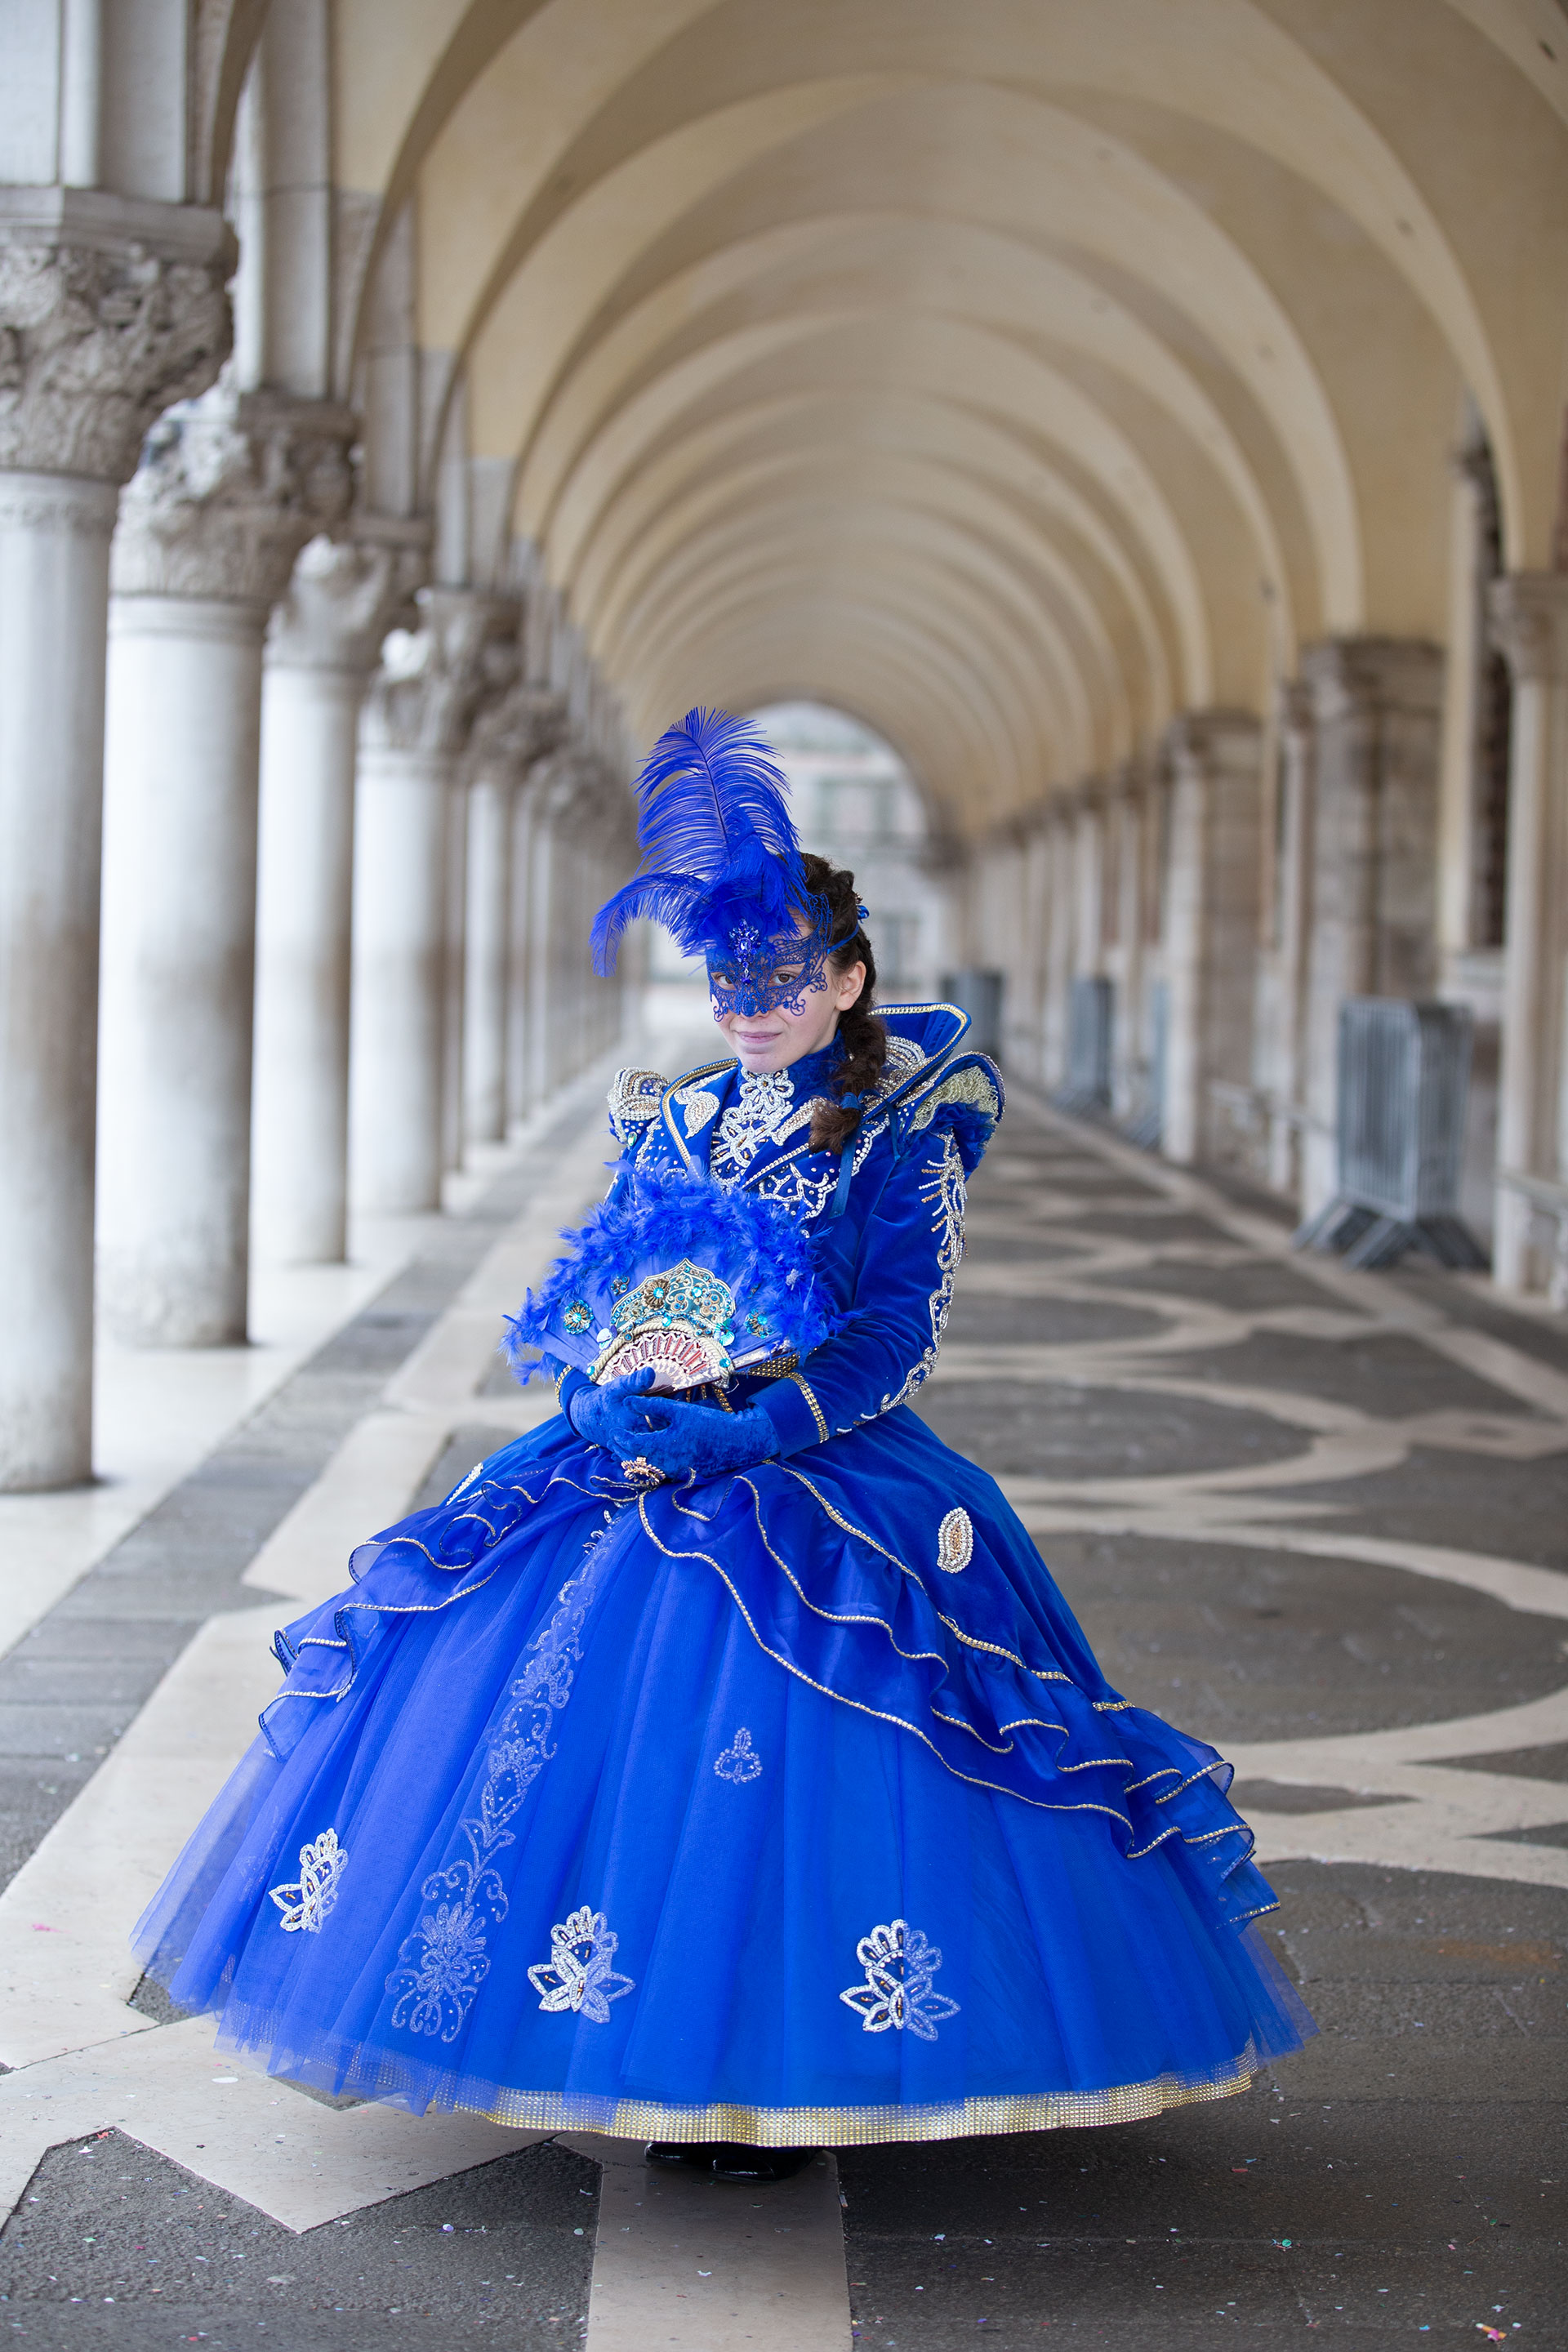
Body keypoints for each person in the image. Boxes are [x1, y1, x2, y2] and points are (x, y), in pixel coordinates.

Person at [134, 710, 1312, 2184]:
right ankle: (595, 2036)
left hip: (813, 1474)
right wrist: (590, 1391)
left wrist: (761, 1419)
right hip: (632, 1463)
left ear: (846, 978)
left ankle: (761, 2072)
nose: (752, 1003)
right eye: (731, 979)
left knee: (790, 1774)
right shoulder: (672, 1122)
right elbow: (606, 1287)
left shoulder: (898, 1134)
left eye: (784, 978)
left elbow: (895, 1337)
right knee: (581, 1746)